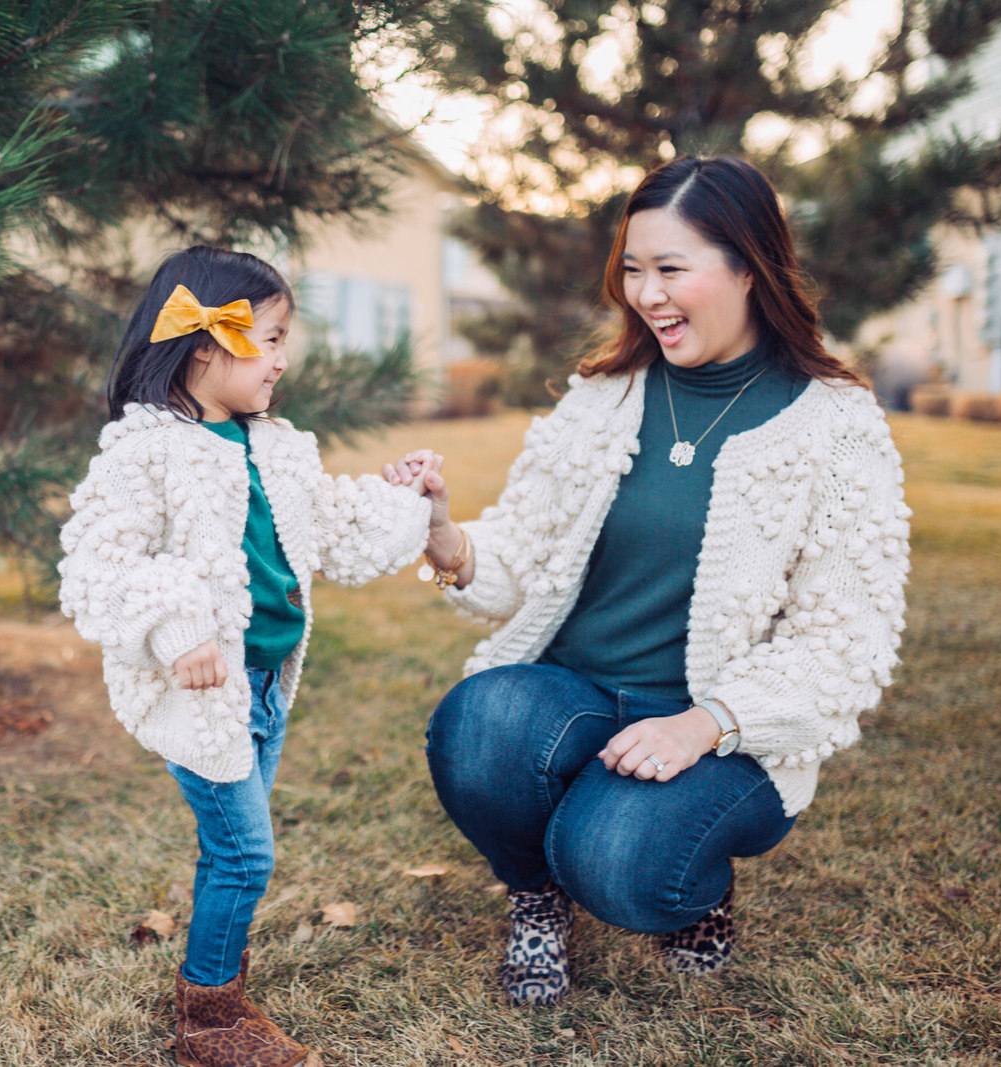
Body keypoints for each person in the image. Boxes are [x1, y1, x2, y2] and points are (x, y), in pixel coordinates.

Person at [389, 156, 911, 1006]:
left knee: (623, 866)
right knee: (478, 726)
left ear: (749, 265)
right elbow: (525, 546)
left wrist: (704, 724)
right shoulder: (604, 395)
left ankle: (689, 894)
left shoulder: (836, 428)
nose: (646, 293)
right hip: (578, 689)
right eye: (633, 269)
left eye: (672, 269)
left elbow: (845, 645)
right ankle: (537, 897)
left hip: (722, 732)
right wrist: (447, 535)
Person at [59, 245, 435, 1066]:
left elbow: (335, 527)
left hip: (264, 689)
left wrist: (404, 499)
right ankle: (210, 1016)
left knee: (231, 843)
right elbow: (97, 565)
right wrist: (177, 626)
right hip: (202, 694)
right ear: (206, 343)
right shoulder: (145, 451)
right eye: (268, 338)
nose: (282, 359)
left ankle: (218, 975)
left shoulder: (279, 445)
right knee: (244, 850)